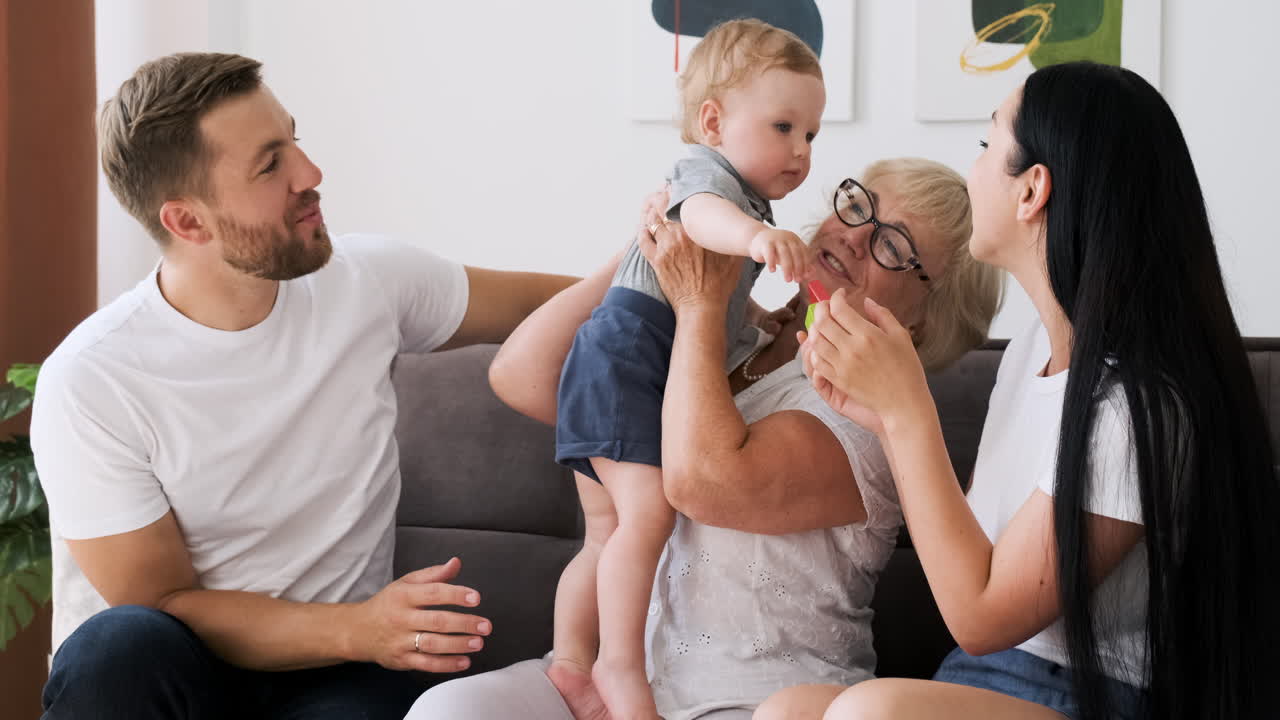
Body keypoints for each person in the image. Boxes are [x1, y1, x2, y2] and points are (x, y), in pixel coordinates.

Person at [30, 52, 579, 720]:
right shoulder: (94, 379)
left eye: (294, 139)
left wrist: (685, 263)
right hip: (170, 673)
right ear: (187, 222)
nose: (311, 175)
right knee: (118, 645)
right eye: (270, 164)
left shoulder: (367, 281)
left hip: (335, 678)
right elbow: (166, 602)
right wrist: (362, 626)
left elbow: (552, 308)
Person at [765, 62, 1280, 720]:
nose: (972, 169)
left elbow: (979, 618)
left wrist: (909, 410)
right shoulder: (1032, 354)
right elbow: (971, 562)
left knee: (870, 711)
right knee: (787, 710)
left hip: (1104, 697)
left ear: (1033, 189)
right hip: (986, 679)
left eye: (987, 146)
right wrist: (886, 419)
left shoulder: (1137, 404)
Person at [404, 157, 1004, 720]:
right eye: (857, 207)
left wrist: (696, 301)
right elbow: (524, 376)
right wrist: (662, 241)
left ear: (929, 313)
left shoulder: (871, 418)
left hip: (750, 701)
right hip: (612, 686)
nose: (854, 236)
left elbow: (700, 481)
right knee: (448, 711)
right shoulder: (735, 338)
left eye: (893, 244)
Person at [551, 19, 820, 718]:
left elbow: (718, 305)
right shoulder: (709, 179)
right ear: (713, 122)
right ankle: (620, 666)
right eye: (785, 127)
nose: (800, 151)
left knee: (607, 532)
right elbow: (699, 218)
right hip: (628, 355)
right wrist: (755, 236)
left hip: (622, 360)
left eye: (811, 136)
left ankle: (569, 662)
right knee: (647, 516)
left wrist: (762, 325)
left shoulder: (747, 200)